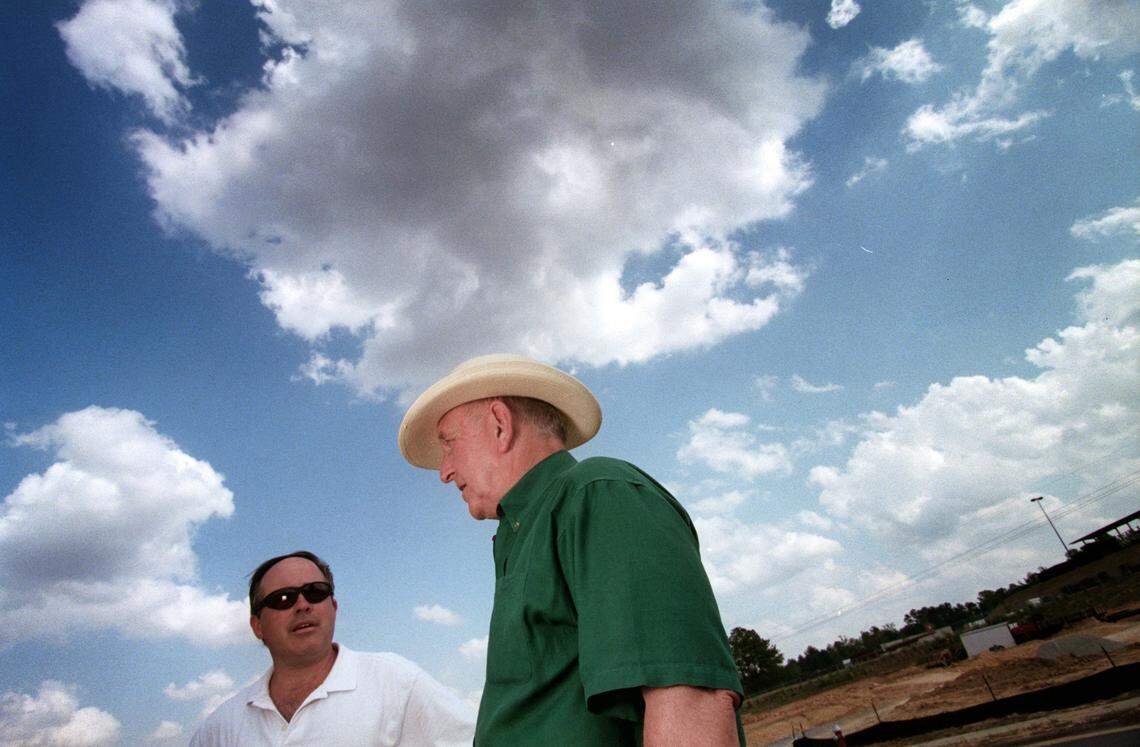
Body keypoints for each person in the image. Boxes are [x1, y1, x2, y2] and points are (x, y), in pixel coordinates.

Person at [398, 354, 745, 745]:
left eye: (448, 443)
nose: (444, 472)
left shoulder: (598, 492)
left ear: (499, 424)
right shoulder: (521, 534)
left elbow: (689, 700)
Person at [190, 551, 474, 746]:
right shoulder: (220, 730)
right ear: (257, 626)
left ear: (334, 607)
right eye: (283, 598)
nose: (303, 605)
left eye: (315, 592)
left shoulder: (395, 682)